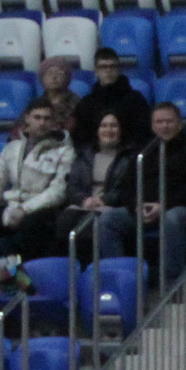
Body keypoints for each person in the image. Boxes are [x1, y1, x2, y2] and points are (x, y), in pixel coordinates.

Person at [0, 102, 74, 262]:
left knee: (29, 227)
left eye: (47, 118)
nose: (42, 122)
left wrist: (24, 210)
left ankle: (24, 274)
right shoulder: (13, 147)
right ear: (27, 119)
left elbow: (57, 192)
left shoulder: (65, 151)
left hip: (43, 210)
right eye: (37, 117)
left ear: (53, 122)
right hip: (12, 205)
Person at [136, 103, 186, 282]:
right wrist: (135, 206)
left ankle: (172, 280)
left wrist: (163, 206)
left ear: (180, 124)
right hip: (146, 208)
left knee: (171, 218)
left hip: (185, 211)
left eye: (169, 121)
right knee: (109, 220)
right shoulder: (143, 153)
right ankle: (127, 275)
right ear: (152, 126)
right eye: (159, 122)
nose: (164, 126)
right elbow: (128, 186)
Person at [59, 111, 140, 262]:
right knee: (65, 219)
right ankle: (70, 268)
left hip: (111, 206)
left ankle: (100, 267)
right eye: (104, 126)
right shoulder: (84, 155)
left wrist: (104, 200)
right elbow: (72, 186)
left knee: (95, 223)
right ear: (97, 130)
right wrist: (84, 200)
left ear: (121, 129)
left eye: (113, 126)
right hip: (85, 204)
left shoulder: (130, 157)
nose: (108, 130)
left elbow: (127, 188)